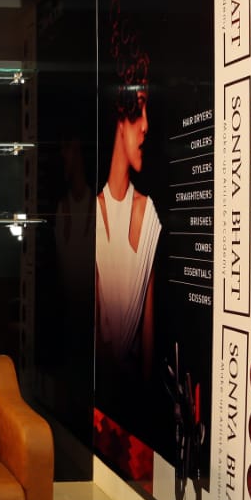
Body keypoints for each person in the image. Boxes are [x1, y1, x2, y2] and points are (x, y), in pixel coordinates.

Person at [95, 85, 160, 389]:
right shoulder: (94, 214)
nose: (146, 125)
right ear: (120, 118)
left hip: (135, 393)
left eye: (147, 111)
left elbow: (149, 329)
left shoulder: (148, 213)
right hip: (103, 390)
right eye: (138, 109)